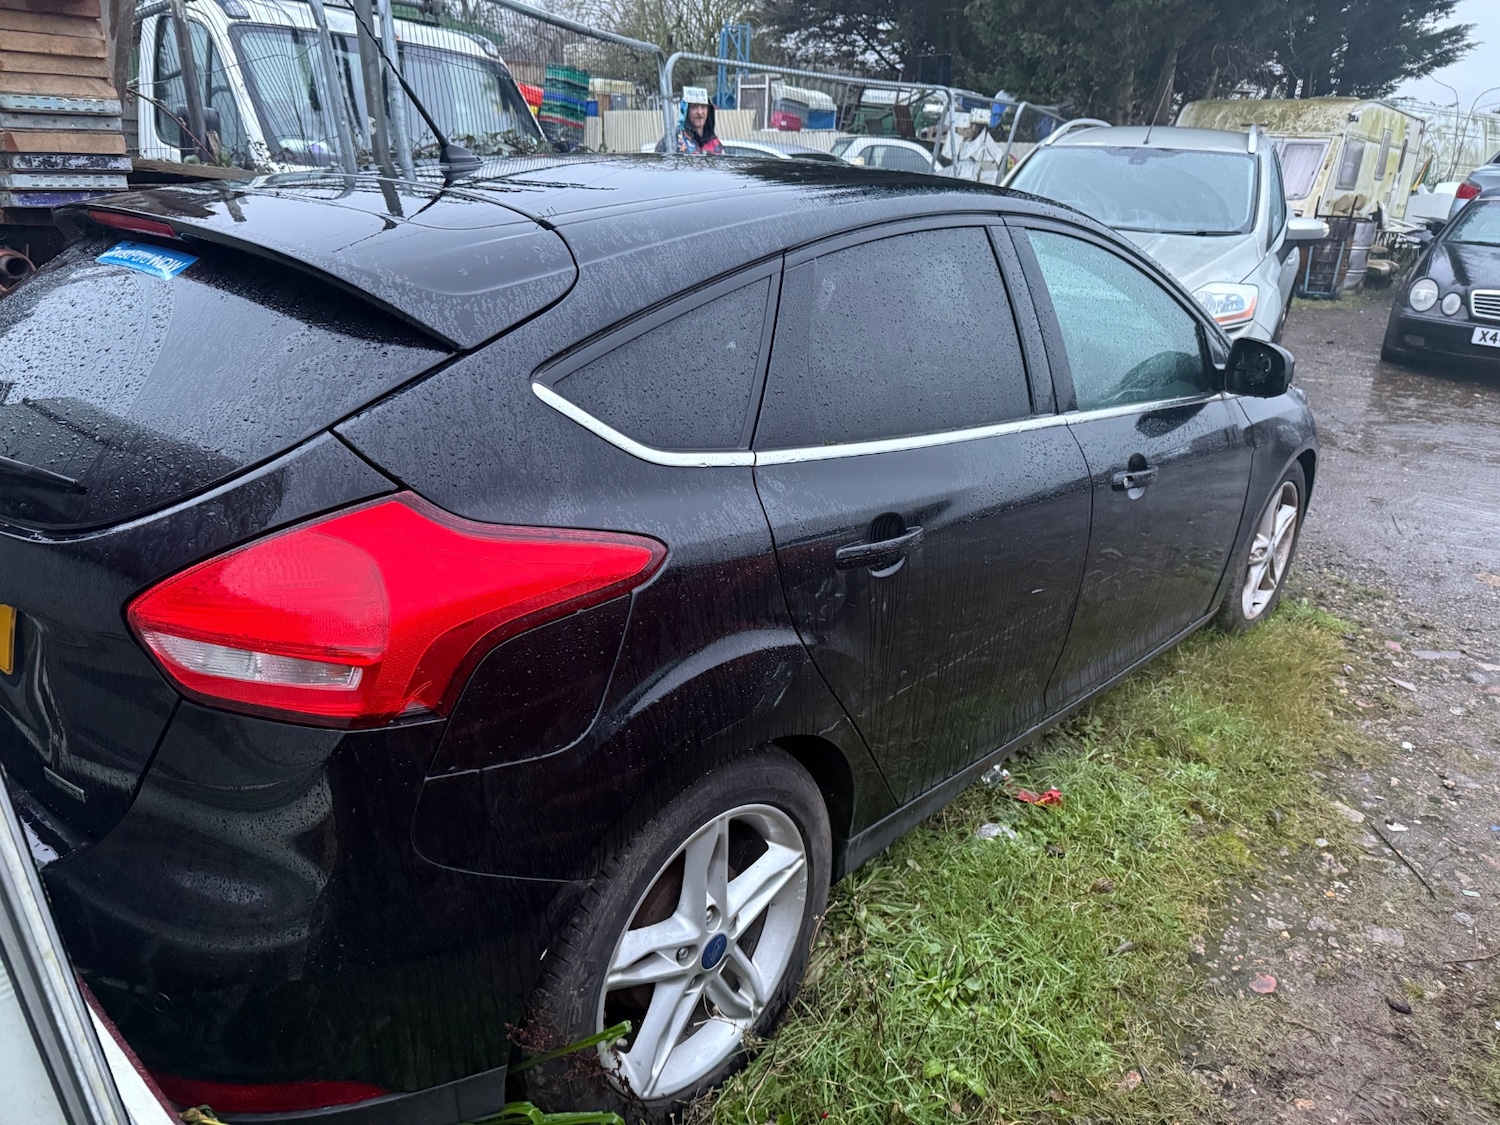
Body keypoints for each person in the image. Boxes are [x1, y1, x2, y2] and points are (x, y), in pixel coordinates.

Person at [656, 87, 723, 155]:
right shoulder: (672, 140)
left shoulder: (715, 143)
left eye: (703, 106)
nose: (699, 112)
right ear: (686, 110)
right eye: (694, 107)